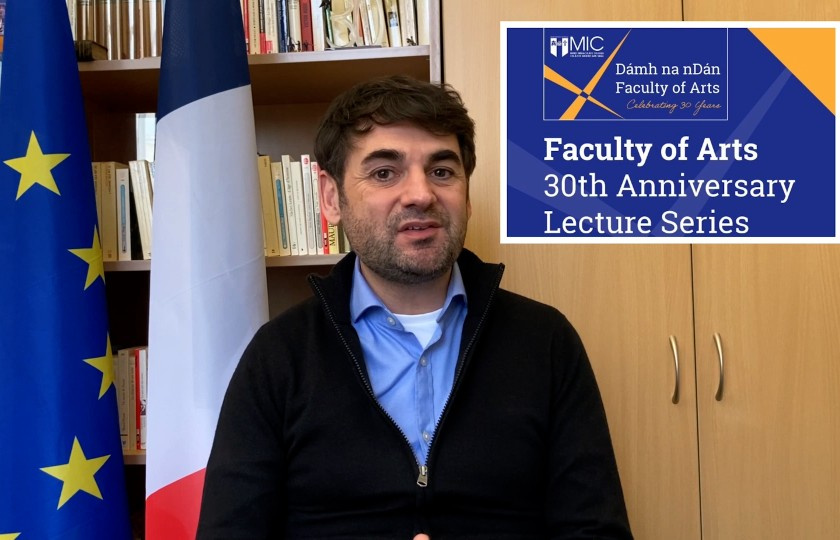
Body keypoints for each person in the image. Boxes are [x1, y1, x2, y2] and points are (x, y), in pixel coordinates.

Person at [197, 75, 632, 539]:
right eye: (385, 172)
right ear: (331, 198)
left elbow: (595, 531)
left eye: (442, 171)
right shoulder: (278, 356)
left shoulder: (545, 342)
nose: (421, 194)